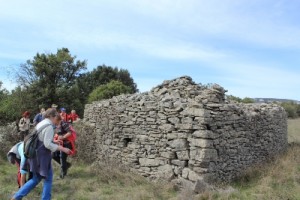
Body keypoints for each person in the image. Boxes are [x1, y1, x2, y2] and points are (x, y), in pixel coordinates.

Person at [11, 108, 71, 200]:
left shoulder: (41, 123)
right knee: (48, 178)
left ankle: (17, 196)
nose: (57, 121)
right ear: (52, 116)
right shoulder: (49, 126)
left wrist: (54, 141)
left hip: (35, 156)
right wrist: (63, 148)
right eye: (56, 117)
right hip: (42, 157)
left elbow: (42, 139)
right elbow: (47, 144)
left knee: (36, 178)